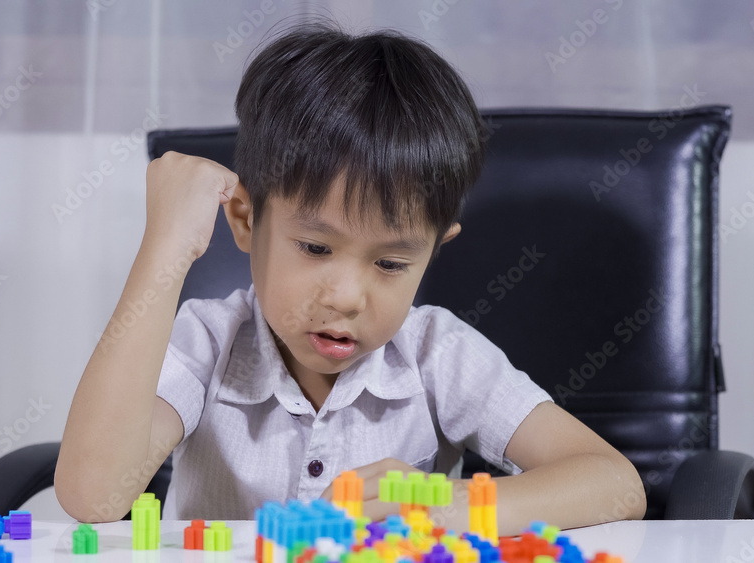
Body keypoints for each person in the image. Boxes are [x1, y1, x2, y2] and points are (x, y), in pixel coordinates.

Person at [54, 21, 645, 533]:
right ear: (244, 221)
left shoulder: (437, 354)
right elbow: (95, 494)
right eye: (314, 247)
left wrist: (438, 507)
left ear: (433, 254)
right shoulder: (208, 340)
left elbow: (616, 484)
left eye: (391, 264)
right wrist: (166, 249)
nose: (345, 296)